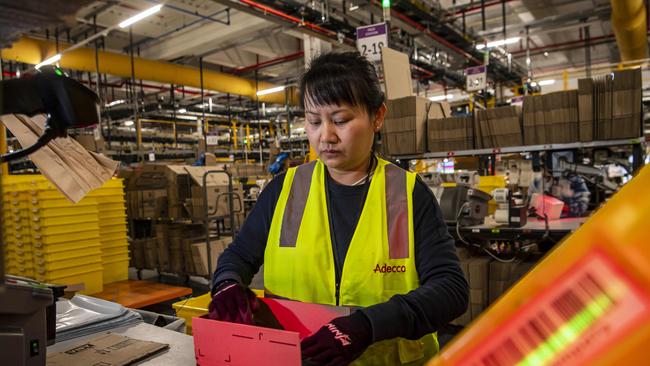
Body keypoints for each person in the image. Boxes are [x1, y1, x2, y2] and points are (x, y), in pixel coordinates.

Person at [209, 51, 468, 365]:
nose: (325, 136)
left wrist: (368, 325)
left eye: (341, 120)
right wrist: (226, 284)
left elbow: (451, 289)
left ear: (378, 116)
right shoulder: (283, 190)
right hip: (302, 358)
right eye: (314, 121)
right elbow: (239, 256)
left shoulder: (408, 194)